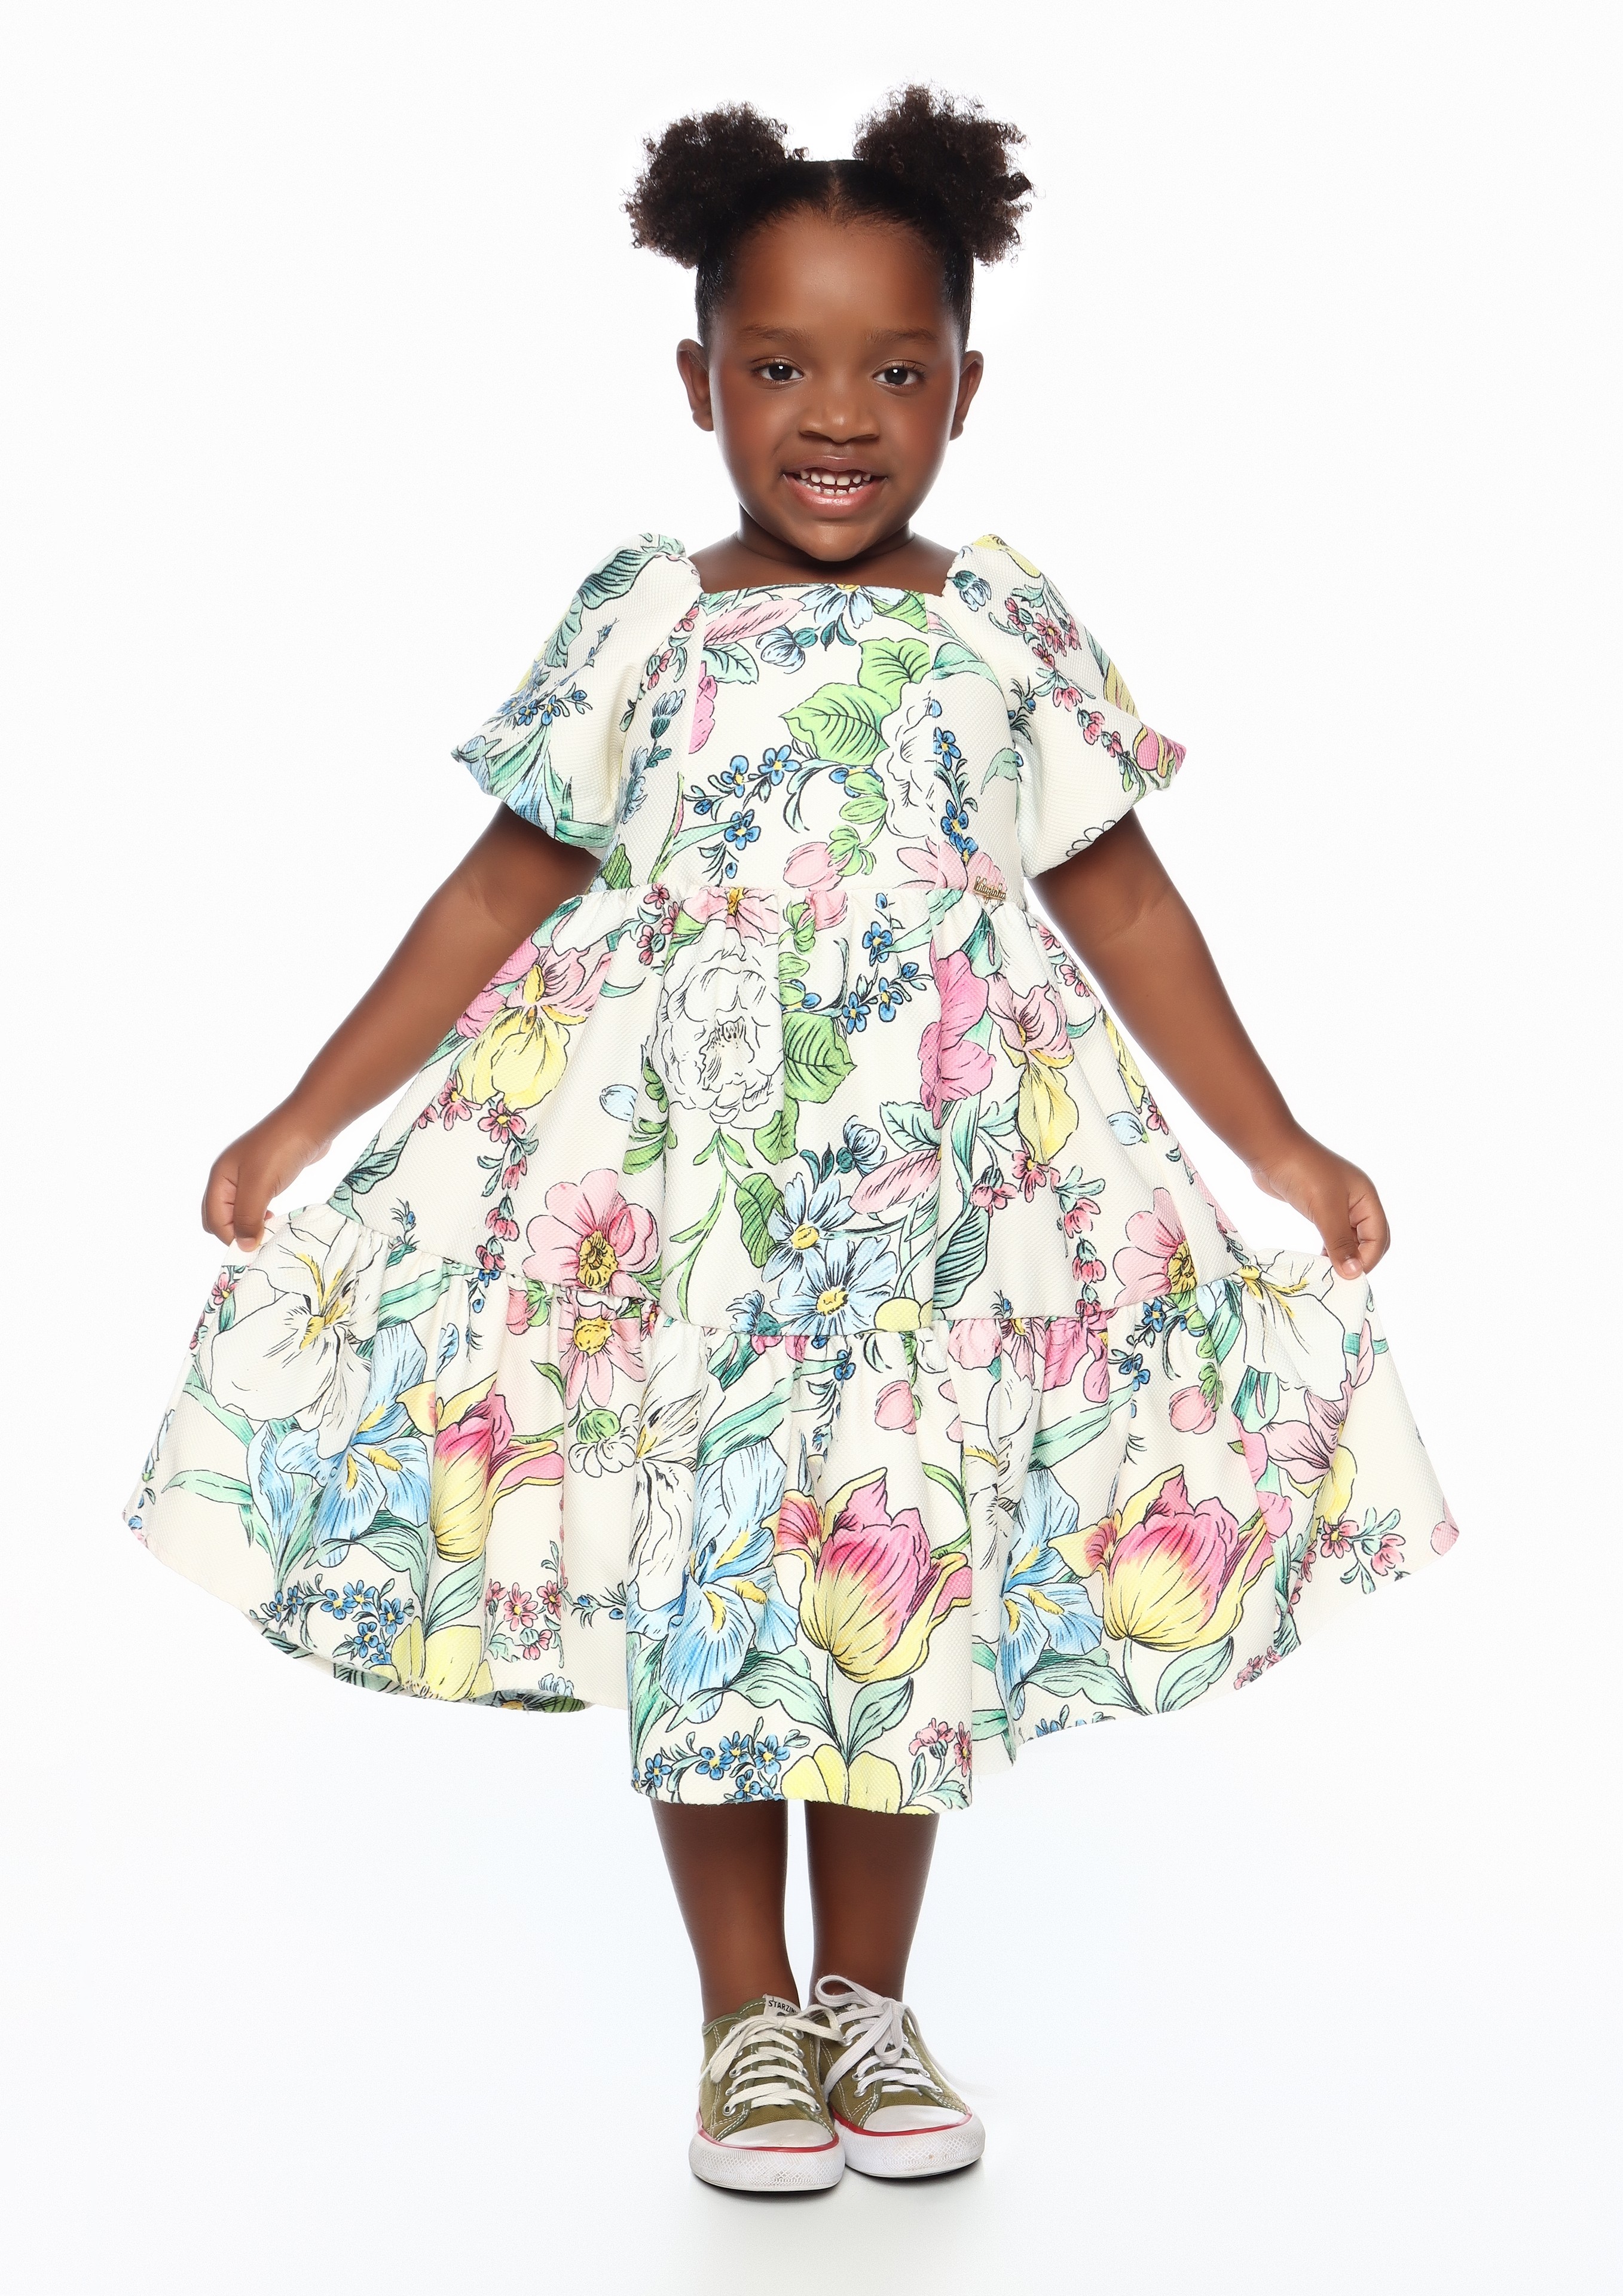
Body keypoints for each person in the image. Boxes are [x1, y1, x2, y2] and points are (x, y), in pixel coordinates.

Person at [125, 86, 1461, 2194]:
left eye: (893, 373)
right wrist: (307, 1112)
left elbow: (1121, 904)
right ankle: (743, 2017)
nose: (836, 415)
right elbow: (499, 889)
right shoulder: (646, 622)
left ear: (964, 390)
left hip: (934, 1229)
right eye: (778, 369)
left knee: (886, 1588)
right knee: (716, 1585)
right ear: (698, 382)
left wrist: (1277, 1147)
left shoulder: (1001, 625)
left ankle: (866, 2003)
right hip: (693, 1226)